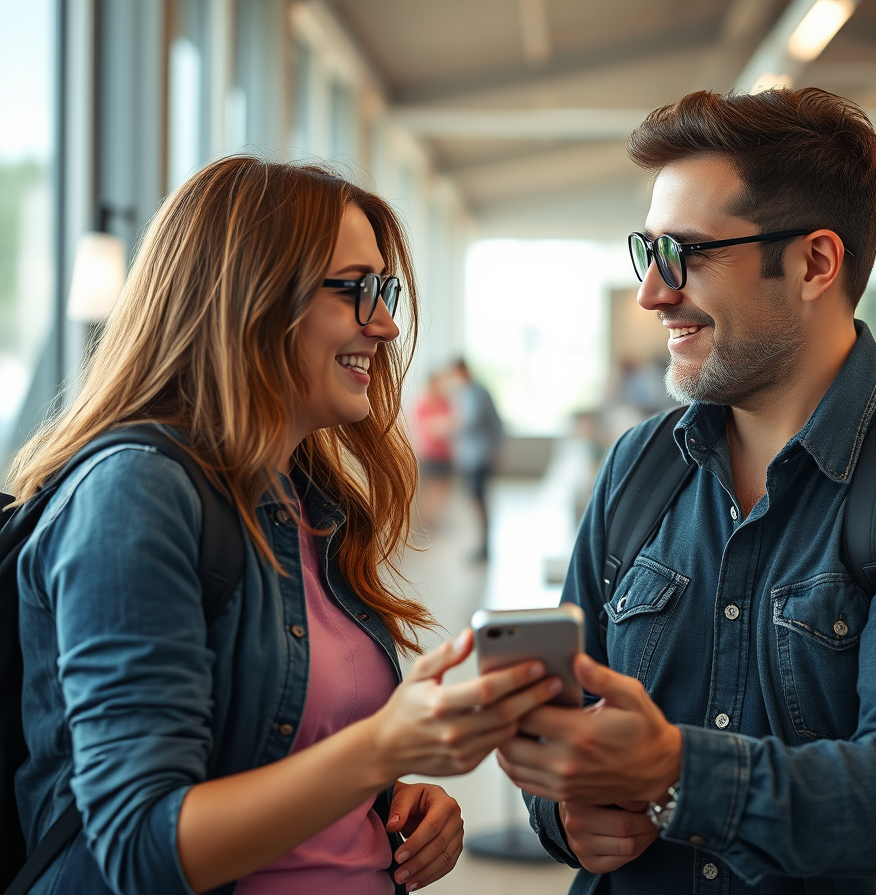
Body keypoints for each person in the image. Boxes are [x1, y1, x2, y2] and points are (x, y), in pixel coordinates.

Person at [495, 89, 876, 893]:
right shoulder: (638, 467)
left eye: (689, 254)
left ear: (815, 262)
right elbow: (573, 734)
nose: (652, 292)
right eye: (648, 252)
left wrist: (678, 770)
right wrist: (565, 814)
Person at [9, 157, 563, 895]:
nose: (387, 324)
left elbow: (296, 752)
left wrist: (391, 806)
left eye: (385, 290)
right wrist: (378, 749)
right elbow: (140, 847)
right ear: (253, 298)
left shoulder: (308, 500)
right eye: (358, 290)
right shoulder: (136, 494)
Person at [449, 358, 503, 562]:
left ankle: (484, 546)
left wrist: (447, 426)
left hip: (479, 456)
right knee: (476, 499)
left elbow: (471, 421)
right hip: (473, 456)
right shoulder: (467, 392)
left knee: (479, 499)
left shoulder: (476, 392)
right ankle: (482, 544)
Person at [413, 369, 455, 531]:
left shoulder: (446, 402)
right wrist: (437, 426)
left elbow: (455, 421)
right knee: (430, 487)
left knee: (443, 487)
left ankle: (436, 519)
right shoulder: (423, 403)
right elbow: (421, 427)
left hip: (445, 452)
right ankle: (427, 520)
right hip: (429, 453)